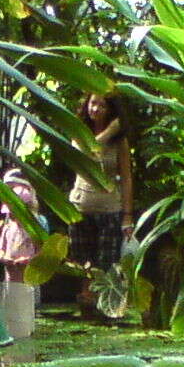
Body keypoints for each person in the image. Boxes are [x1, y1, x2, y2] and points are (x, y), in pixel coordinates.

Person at [68, 93, 132, 317]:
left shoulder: (119, 142)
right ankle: (86, 305)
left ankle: (106, 309)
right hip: (80, 208)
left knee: (106, 264)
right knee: (82, 263)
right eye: (92, 103)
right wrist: (110, 131)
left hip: (110, 210)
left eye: (101, 105)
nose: (95, 109)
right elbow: (87, 154)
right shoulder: (79, 133)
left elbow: (126, 178)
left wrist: (127, 215)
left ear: (111, 110)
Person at [0, 166, 42, 283]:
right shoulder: (8, 226)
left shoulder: (37, 226)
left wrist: (28, 260)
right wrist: (3, 257)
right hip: (11, 278)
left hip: (29, 278)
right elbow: (1, 248)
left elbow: (43, 250)